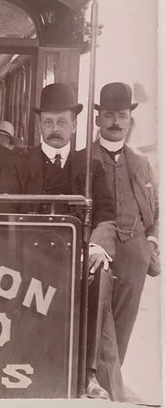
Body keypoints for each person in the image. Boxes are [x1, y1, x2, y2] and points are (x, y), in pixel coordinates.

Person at [0, 82, 119, 399]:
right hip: (27, 255)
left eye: (62, 121)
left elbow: (106, 211)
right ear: (39, 125)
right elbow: (5, 212)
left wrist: (96, 246)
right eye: (48, 122)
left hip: (77, 258)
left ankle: (88, 376)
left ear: (74, 124)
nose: (55, 129)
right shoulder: (18, 164)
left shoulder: (90, 167)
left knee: (102, 274)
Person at [92, 82, 159, 374]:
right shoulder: (83, 158)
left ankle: (114, 384)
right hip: (97, 250)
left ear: (129, 120)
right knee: (94, 320)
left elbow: (154, 208)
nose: (116, 122)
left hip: (134, 252)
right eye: (109, 115)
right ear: (98, 120)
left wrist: (151, 241)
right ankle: (94, 381)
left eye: (121, 116)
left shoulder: (141, 163)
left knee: (125, 322)